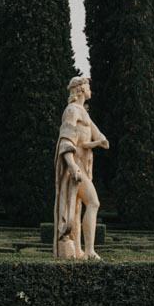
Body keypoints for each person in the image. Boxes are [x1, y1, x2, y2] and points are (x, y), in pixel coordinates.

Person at [53, 76, 108, 260]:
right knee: (93, 202)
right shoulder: (71, 110)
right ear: (81, 89)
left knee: (76, 209)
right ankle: (89, 251)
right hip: (75, 166)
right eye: (88, 86)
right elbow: (66, 140)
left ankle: (78, 251)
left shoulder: (84, 113)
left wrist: (98, 141)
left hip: (83, 166)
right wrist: (71, 165)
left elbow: (98, 137)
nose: (90, 89)